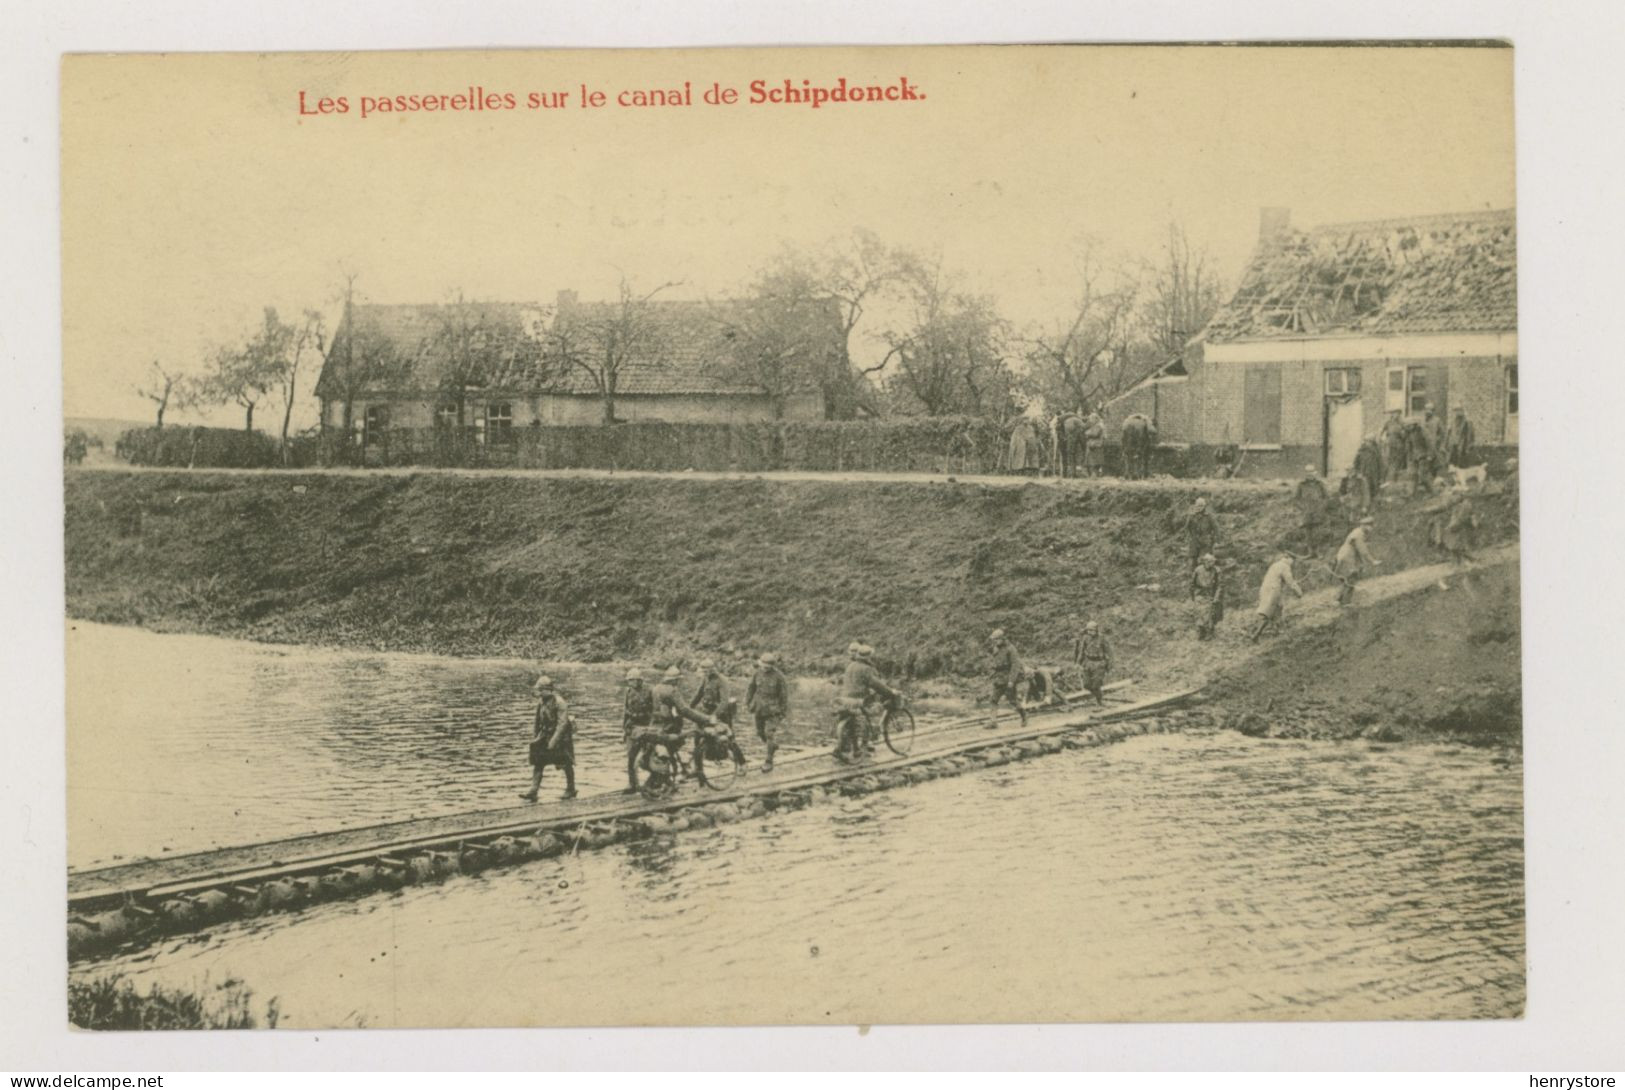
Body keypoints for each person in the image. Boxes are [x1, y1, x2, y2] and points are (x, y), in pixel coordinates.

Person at [834, 642, 899, 762]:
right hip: (860, 699)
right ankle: (867, 740)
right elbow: (877, 685)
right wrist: (890, 692)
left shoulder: (850, 666)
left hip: (845, 698)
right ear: (869, 657)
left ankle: (856, 746)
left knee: (855, 719)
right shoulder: (867, 669)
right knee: (875, 709)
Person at [520, 676, 576, 802]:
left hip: (561, 738)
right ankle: (533, 791)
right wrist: (536, 737)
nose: (538, 693)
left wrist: (553, 742)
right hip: (544, 735)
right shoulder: (541, 702)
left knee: (565, 763)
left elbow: (562, 724)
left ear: (548, 690)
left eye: (540, 690)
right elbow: (537, 721)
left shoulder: (560, 702)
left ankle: (571, 789)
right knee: (538, 763)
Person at [746, 651, 790, 772]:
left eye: (768, 666)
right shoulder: (757, 674)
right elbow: (751, 688)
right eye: (763, 665)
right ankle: (772, 746)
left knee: (769, 733)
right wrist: (748, 703)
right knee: (760, 733)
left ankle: (769, 761)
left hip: (773, 710)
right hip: (759, 708)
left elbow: (784, 696)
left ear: (772, 666)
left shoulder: (779, 677)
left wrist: (782, 712)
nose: (765, 668)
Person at [1249, 552, 1304, 642]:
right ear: (1289, 558)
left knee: (1274, 613)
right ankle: (1255, 634)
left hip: (1265, 590)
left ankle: (1285, 637)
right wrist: (1299, 592)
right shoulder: (1285, 566)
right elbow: (1290, 582)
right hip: (1273, 591)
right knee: (1269, 614)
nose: (1293, 562)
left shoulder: (1275, 565)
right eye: (1293, 560)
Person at [986, 628, 1029, 730]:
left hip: (1008, 678)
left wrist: (1011, 681)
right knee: (993, 699)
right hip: (999, 678)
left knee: (1012, 700)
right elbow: (996, 663)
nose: (994, 642)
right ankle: (993, 722)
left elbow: (1015, 666)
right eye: (994, 640)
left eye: (996, 640)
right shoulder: (997, 648)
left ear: (1002, 638)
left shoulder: (1011, 649)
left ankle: (1024, 715)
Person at [620, 668, 654, 793]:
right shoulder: (628, 692)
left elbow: (655, 710)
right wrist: (624, 730)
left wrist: (652, 727)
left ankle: (656, 779)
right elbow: (625, 711)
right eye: (629, 681)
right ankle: (632, 783)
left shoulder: (650, 691)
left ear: (639, 680)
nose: (630, 683)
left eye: (632, 680)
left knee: (648, 756)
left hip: (646, 727)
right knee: (631, 756)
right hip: (632, 727)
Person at [1334, 517, 1381, 606]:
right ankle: (1346, 602)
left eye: (1371, 526)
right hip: (1347, 557)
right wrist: (1372, 561)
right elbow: (1363, 550)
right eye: (1369, 526)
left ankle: (1338, 600)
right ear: (1363, 525)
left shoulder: (1358, 532)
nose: (1371, 528)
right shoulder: (1358, 535)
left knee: (1346, 579)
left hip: (1345, 555)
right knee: (1351, 578)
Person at [1071, 621, 1113, 706]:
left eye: (1092, 630)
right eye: (1088, 630)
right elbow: (1081, 651)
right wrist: (1078, 663)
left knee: (1096, 685)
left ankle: (1099, 701)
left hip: (1099, 664)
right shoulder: (1085, 638)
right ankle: (1097, 696)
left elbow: (1109, 653)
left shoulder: (1102, 638)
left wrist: (1109, 666)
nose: (1090, 632)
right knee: (1086, 684)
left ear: (1096, 630)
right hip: (1088, 663)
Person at [1294, 466, 1331, 555]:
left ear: (1315, 473)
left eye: (1311, 472)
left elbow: (1326, 497)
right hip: (1306, 512)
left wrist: (1322, 507)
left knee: (1317, 532)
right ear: (1305, 474)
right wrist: (1302, 507)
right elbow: (1296, 499)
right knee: (1308, 532)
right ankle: (1310, 552)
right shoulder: (1301, 485)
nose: (1309, 474)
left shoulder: (1320, 484)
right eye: (1307, 472)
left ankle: (1318, 551)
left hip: (1318, 512)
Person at [692, 660, 737, 729]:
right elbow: (698, 695)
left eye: (705, 671)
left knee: (723, 736)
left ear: (711, 670)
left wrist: (715, 715)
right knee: (700, 732)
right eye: (703, 672)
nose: (704, 673)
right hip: (707, 710)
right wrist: (690, 707)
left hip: (721, 714)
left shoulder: (721, 680)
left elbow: (724, 701)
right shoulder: (706, 679)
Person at [1190, 552, 1224, 639]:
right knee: (1199, 614)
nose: (1211, 564)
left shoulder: (1216, 570)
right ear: (1205, 562)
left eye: (1213, 562)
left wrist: (1216, 597)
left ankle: (1209, 632)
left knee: (1209, 614)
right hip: (1200, 594)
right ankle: (1201, 632)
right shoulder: (1198, 570)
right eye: (1209, 562)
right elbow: (1192, 584)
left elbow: (1220, 585)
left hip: (1210, 594)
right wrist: (1193, 595)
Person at [1182, 497, 1220, 573]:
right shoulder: (1191, 516)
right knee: (1192, 560)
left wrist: (1215, 541)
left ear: (1204, 506)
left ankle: (1204, 579)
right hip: (1194, 541)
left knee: (1204, 560)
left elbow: (1216, 529)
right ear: (1195, 505)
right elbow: (1186, 528)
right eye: (1197, 505)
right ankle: (1192, 578)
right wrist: (1188, 537)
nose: (1199, 507)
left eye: (1201, 506)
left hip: (1205, 541)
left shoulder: (1209, 516)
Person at [1442, 492, 1478, 564]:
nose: (1454, 498)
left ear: (1461, 495)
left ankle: (1469, 561)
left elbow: (1461, 519)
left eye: (1456, 495)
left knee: (1457, 545)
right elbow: (1455, 518)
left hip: (1464, 528)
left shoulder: (1465, 504)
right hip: (1459, 527)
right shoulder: (1458, 505)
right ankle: (1459, 562)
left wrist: (1451, 526)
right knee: (1454, 546)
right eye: (1453, 495)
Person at [1353, 438, 1384, 513]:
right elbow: (1356, 463)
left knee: (1374, 489)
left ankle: (1374, 507)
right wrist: (1358, 472)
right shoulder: (1361, 452)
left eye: (1370, 442)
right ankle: (1365, 507)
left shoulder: (1376, 452)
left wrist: (1381, 476)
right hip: (1364, 474)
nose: (1368, 443)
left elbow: (1380, 464)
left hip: (1374, 474)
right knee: (1366, 490)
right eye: (1367, 441)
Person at [1379, 410, 1408, 484]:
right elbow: (1381, 432)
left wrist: (1402, 433)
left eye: (1398, 414)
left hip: (1399, 446)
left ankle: (1397, 479)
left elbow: (1405, 435)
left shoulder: (1402, 423)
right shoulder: (1388, 423)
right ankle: (1388, 480)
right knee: (1389, 462)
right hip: (1389, 445)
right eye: (1395, 414)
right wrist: (1382, 440)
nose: (1397, 415)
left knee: (1399, 463)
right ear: (1392, 414)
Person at [1083, 408, 1108, 477]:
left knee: (1094, 461)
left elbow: (1095, 434)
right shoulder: (1098, 425)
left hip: (1095, 444)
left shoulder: (1098, 425)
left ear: (1095, 419)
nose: (1090, 421)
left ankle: (1094, 475)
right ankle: (1094, 474)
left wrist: (1087, 433)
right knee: (1094, 460)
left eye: (1091, 419)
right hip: (1095, 444)